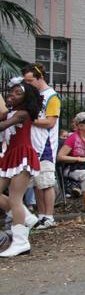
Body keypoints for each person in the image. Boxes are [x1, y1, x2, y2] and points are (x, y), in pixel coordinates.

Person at [0, 79, 44, 257]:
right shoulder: (12, 112)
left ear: (26, 99)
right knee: (12, 199)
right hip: (10, 156)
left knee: (15, 199)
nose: (12, 94)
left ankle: (21, 242)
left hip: (22, 156)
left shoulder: (23, 113)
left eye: (19, 93)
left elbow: (2, 126)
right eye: (12, 91)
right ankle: (26, 217)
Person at [21, 64, 60, 231]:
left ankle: (49, 216)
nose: (27, 84)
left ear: (40, 78)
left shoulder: (51, 96)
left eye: (30, 80)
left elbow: (50, 122)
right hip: (32, 144)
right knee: (37, 183)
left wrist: (30, 120)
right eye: (25, 81)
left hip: (45, 145)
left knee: (46, 182)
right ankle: (41, 215)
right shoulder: (34, 95)